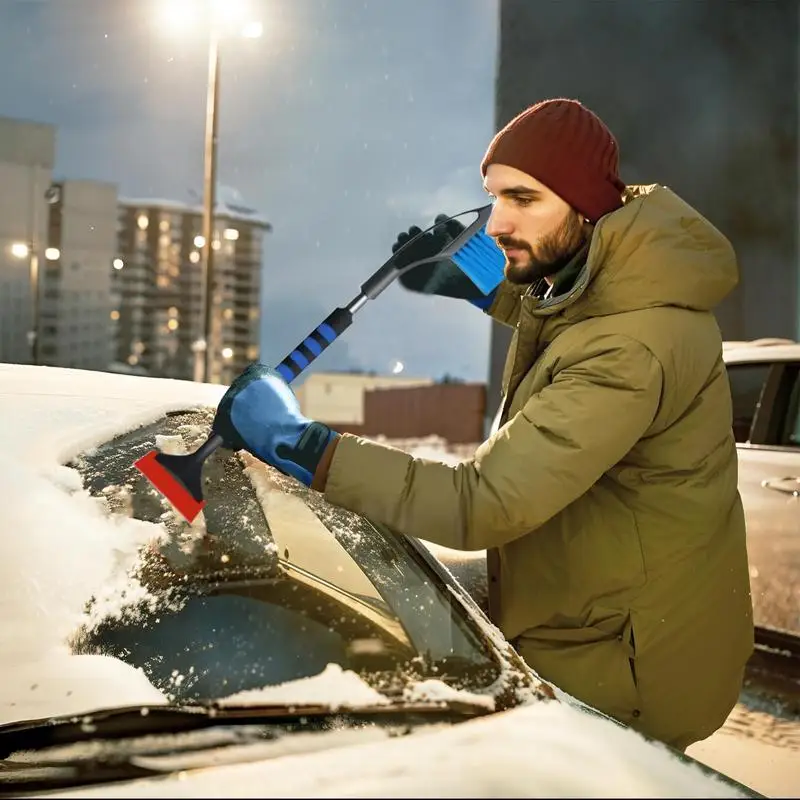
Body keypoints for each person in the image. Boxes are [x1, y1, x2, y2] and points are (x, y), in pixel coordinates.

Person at [211, 98, 754, 751]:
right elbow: (558, 303)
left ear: (583, 207)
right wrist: (464, 273)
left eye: (523, 198)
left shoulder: (629, 349)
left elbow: (481, 504)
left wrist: (300, 443)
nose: (496, 222)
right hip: (605, 607)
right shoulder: (614, 273)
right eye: (493, 197)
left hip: (630, 668)